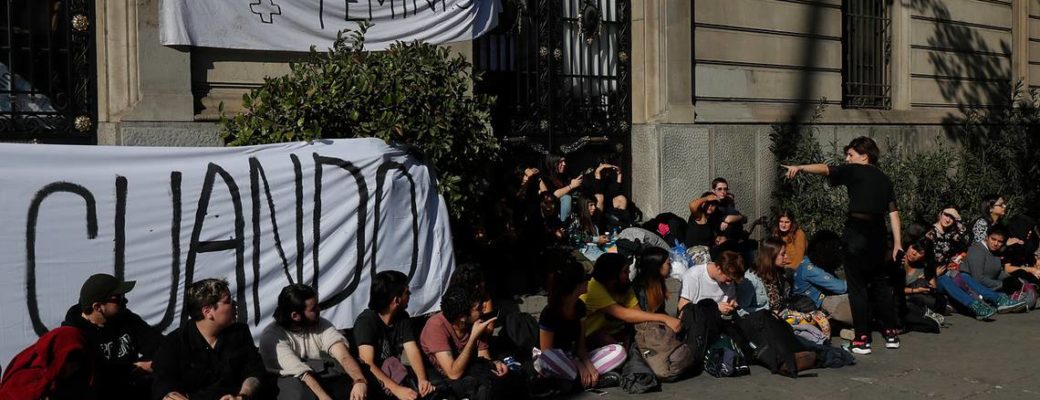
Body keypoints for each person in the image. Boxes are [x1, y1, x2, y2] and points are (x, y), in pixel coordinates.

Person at [782, 136, 902, 354]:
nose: (847, 159)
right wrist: (897, 243)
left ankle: (862, 339)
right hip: (878, 234)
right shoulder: (884, 179)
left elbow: (825, 169)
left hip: (857, 231)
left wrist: (800, 167)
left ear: (864, 156)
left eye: (850, 154)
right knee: (879, 284)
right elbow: (893, 212)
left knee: (857, 287)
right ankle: (891, 333)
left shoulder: (855, 170)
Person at [152, 278, 268, 400]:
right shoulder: (175, 342)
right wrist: (170, 395)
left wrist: (242, 396)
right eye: (228, 301)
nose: (235, 304)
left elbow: (254, 372)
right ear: (208, 312)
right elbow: (163, 383)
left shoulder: (240, 333)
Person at [259, 284, 370, 400]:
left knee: (357, 374)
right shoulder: (272, 336)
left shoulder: (320, 324)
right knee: (298, 392)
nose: (319, 310)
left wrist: (359, 381)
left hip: (320, 375)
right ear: (295, 316)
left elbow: (342, 355)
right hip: (293, 382)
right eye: (313, 309)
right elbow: (303, 374)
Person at [60, 273, 162, 399]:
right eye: (118, 298)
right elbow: (89, 379)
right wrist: (134, 368)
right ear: (98, 307)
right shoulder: (73, 336)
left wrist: (152, 364)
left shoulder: (125, 317)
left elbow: (160, 345)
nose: (125, 301)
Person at [535, 260, 626, 389]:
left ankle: (577, 381)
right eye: (585, 279)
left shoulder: (580, 307)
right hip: (554, 359)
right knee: (548, 358)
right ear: (576, 285)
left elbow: (581, 348)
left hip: (572, 357)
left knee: (619, 351)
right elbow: (546, 351)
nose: (589, 281)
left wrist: (588, 365)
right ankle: (585, 381)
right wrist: (579, 365)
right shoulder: (550, 312)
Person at [353, 271, 436, 400]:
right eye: (407, 293)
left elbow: (412, 349)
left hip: (396, 374)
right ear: (396, 300)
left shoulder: (402, 317)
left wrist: (422, 380)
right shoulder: (366, 321)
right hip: (374, 381)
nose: (410, 295)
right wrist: (397, 390)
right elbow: (367, 363)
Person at [419, 285, 509, 400]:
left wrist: (495, 364)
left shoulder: (476, 321)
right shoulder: (436, 326)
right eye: (478, 308)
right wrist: (473, 338)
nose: (483, 309)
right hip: (446, 380)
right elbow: (453, 374)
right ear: (462, 317)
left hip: (470, 372)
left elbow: (484, 357)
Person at [579, 253, 681, 347]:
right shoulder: (593, 288)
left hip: (618, 332)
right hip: (589, 338)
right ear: (612, 275)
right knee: (603, 338)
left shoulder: (624, 285)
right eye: (625, 271)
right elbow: (625, 314)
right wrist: (664, 318)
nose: (629, 272)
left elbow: (637, 313)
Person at [0, 327, 91, 400]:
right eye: (71, 359)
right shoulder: (24, 378)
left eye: (79, 361)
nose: (75, 367)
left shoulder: (79, 381)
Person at [961, 226, 1033, 308]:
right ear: (987, 237)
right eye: (993, 239)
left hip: (988, 287)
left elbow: (996, 272)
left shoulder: (994, 252)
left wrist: (1011, 279)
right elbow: (978, 279)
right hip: (972, 290)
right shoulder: (977, 250)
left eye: (1000, 241)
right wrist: (1002, 284)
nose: (995, 243)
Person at [791, 230, 852, 325]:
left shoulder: (814, 262)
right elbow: (841, 287)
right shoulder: (811, 268)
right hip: (811, 307)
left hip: (817, 302)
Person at [741, 237, 790, 313]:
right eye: (783, 254)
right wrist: (767, 313)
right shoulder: (751, 278)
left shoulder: (777, 273)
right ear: (772, 255)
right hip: (760, 319)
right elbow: (742, 310)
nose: (786, 256)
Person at [539, 153, 582, 222]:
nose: (564, 164)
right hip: (551, 208)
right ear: (553, 163)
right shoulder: (546, 177)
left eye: (564, 161)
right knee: (566, 198)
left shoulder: (563, 175)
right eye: (560, 162)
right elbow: (554, 195)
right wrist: (571, 186)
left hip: (565, 207)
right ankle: (564, 224)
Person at [632, 247, 672, 314]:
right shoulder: (640, 290)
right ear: (657, 266)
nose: (671, 266)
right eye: (668, 263)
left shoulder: (659, 283)